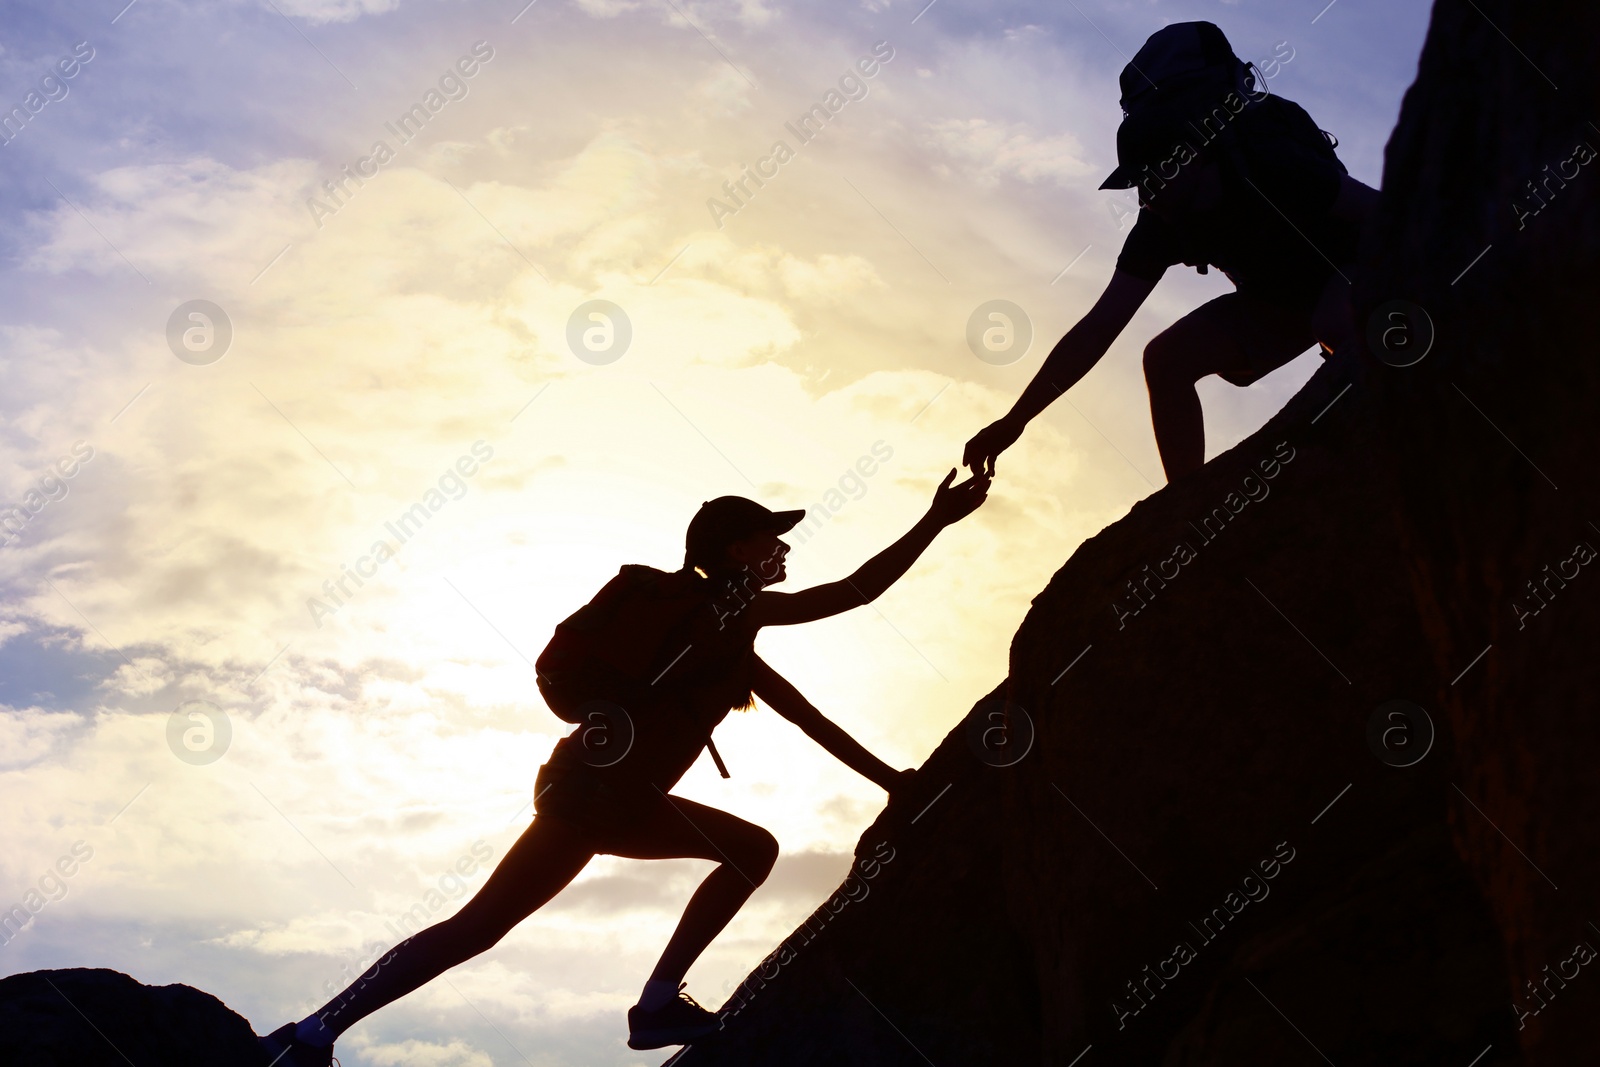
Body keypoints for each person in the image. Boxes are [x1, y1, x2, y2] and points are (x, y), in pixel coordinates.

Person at [259, 469, 990, 1064]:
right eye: (772, 538)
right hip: (602, 793)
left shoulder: (729, 631)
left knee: (477, 926)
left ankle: (315, 1032)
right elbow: (856, 593)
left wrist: (894, 780)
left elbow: (808, 717)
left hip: (596, 789)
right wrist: (934, 521)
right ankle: (654, 1004)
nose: (784, 550)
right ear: (738, 551)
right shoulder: (729, 614)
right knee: (739, 853)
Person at [963, 21, 1379, 484]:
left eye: (1156, 176)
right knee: (1166, 359)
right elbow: (1098, 328)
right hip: (1277, 303)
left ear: (1197, 154)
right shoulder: (1162, 219)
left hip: (1362, 274)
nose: (1147, 194)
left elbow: (1390, 219)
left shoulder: (1271, 162)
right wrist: (1015, 420)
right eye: (1141, 182)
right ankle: (1185, 508)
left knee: (1334, 318)